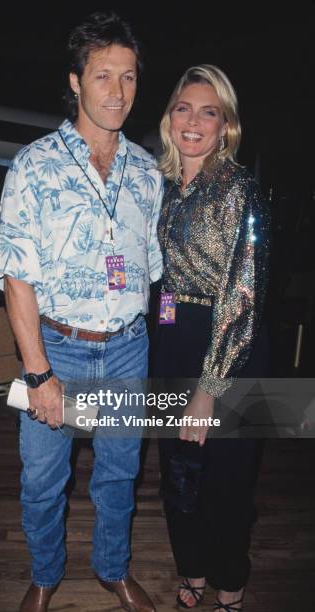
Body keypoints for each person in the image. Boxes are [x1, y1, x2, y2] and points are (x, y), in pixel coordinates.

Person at [0, 11, 163, 612]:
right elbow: (16, 276)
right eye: (102, 76)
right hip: (56, 346)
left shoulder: (147, 172)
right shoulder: (34, 164)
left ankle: (113, 569)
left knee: (119, 473)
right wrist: (37, 370)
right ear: (75, 82)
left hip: (126, 347)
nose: (117, 92)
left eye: (129, 77)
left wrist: (164, 341)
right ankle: (44, 575)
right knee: (43, 481)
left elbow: (154, 275)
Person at [153, 65, 270, 611]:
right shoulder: (163, 185)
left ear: (226, 126)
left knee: (225, 480)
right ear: (169, 118)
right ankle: (193, 567)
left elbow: (242, 296)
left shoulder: (238, 188)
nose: (194, 120)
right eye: (184, 108)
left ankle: (229, 579)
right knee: (177, 474)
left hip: (227, 343)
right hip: (170, 333)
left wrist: (208, 387)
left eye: (209, 111)